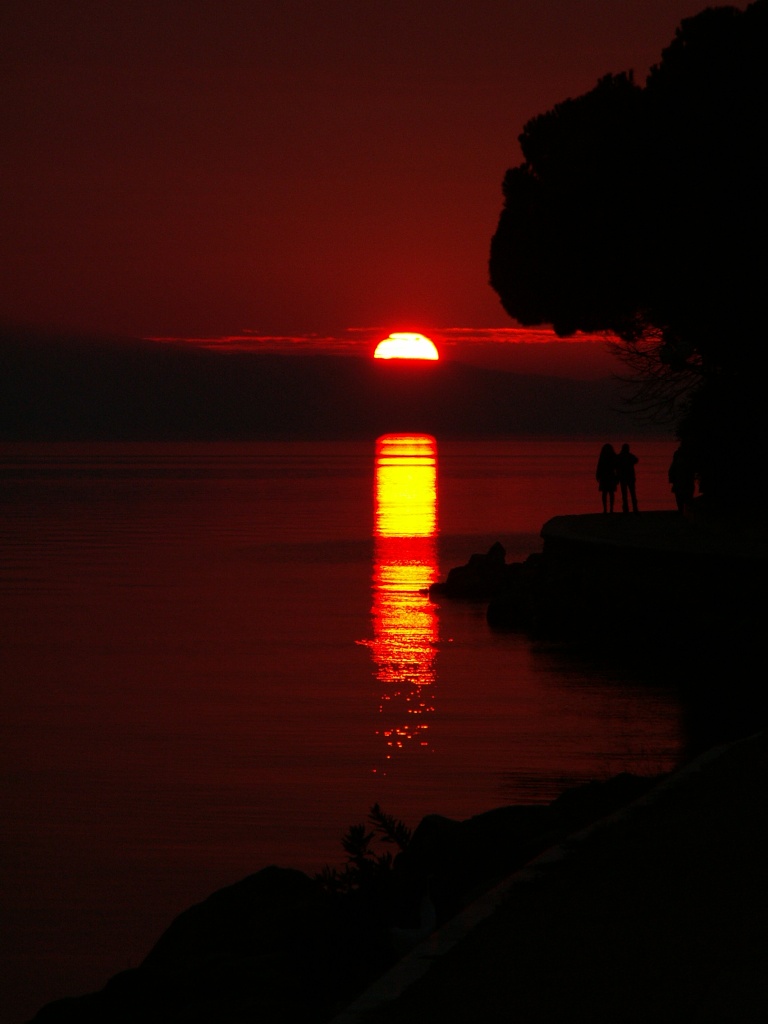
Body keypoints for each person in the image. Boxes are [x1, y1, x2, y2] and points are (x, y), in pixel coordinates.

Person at [668, 445, 695, 513]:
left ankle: (683, 511)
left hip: (682, 480)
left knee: (682, 496)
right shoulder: (686, 458)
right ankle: (683, 511)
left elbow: (672, 469)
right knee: (684, 496)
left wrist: (671, 478)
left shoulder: (683, 458)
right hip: (682, 480)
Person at [616, 443, 639, 513]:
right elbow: (636, 460)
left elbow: (616, 466)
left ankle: (626, 508)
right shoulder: (629, 456)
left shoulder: (620, 456)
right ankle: (634, 507)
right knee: (632, 493)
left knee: (625, 494)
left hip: (623, 477)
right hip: (630, 477)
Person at [595, 443, 618, 512]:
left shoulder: (603, 456)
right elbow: (617, 467)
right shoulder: (613, 456)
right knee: (610, 493)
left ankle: (606, 509)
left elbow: (599, 467)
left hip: (604, 476)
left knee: (605, 493)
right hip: (610, 476)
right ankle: (610, 508)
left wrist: (597, 475)